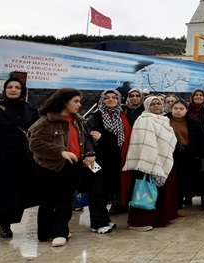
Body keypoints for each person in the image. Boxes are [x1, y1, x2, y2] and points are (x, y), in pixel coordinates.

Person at [28, 88, 94, 247]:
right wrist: (60, 152)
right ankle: (45, 233)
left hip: (73, 166)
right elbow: (34, 143)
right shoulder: (47, 120)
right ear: (65, 102)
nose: (79, 105)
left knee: (65, 200)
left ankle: (59, 232)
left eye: (79, 101)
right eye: (76, 101)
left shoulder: (78, 121)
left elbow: (80, 142)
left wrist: (85, 155)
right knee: (48, 201)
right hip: (51, 167)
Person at [0, 77, 40, 238]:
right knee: (0, 193)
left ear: (22, 90)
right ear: (5, 90)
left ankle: (10, 222)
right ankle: (4, 225)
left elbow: (37, 133)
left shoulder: (30, 109)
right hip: (1, 159)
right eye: (9, 87)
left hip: (22, 159)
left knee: (17, 193)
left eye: (17, 87)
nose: (13, 90)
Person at [123, 96, 179, 231]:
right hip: (147, 161)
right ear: (147, 106)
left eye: (158, 103)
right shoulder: (143, 120)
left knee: (162, 192)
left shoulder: (165, 120)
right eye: (152, 104)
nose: (155, 106)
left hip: (164, 160)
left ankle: (161, 219)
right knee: (145, 191)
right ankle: (139, 222)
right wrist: (151, 159)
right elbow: (143, 142)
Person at [85, 89, 132, 233]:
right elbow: (88, 137)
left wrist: (102, 137)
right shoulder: (95, 117)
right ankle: (97, 223)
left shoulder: (122, 117)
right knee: (97, 189)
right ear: (102, 101)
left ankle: (104, 219)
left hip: (113, 161)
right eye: (107, 98)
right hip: (95, 160)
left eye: (114, 98)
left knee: (106, 190)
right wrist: (94, 146)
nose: (111, 100)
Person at [168, 99, 204, 216]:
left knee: (183, 182)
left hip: (187, 155)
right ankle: (169, 206)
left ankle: (179, 205)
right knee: (170, 182)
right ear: (171, 109)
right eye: (175, 108)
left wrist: (199, 155)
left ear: (186, 110)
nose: (178, 111)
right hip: (169, 154)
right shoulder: (164, 120)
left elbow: (202, 140)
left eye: (181, 109)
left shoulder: (194, 123)